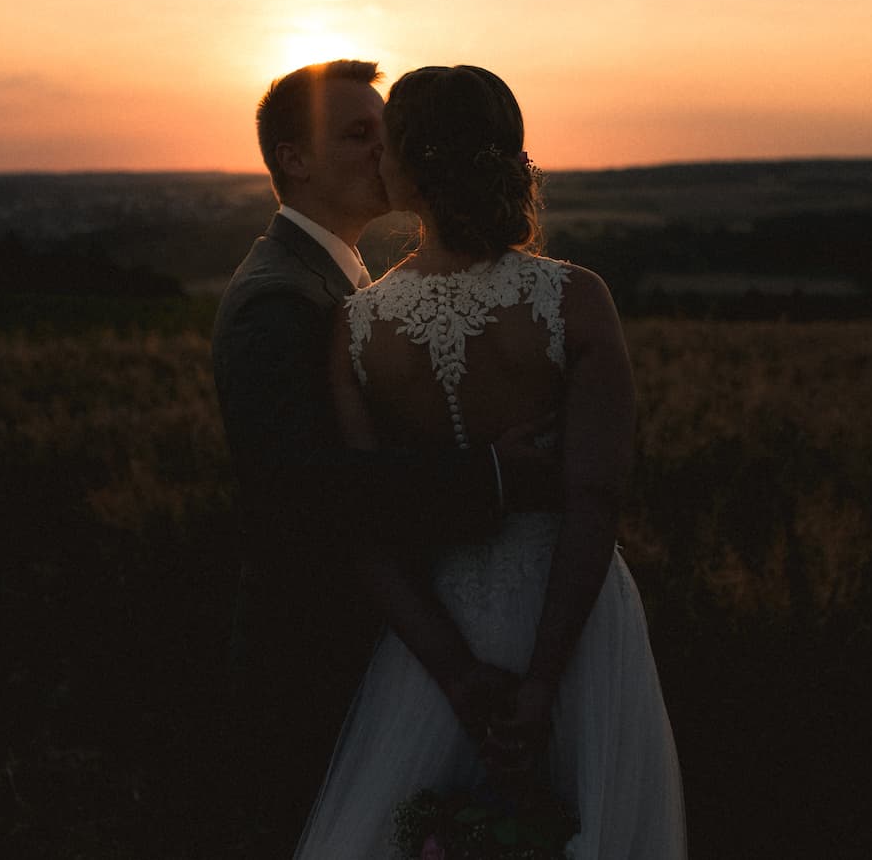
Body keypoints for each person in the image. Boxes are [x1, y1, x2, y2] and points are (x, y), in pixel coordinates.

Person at [293, 65, 687, 858]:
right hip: (576, 627)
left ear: (413, 164)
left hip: (440, 634)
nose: (377, 158)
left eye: (387, 144)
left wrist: (455, 675)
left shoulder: (356, 326)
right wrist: (543, 683)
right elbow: (595, 501)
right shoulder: (576, 300)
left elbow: (365, 524)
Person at [211, 59, 551, 855]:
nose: (384, 150)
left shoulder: (340, 278)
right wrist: (490, 475)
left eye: (386, 132)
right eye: (359, 133)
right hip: (312, 652)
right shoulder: (278, 299)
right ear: (294, 159)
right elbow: (301, 489)